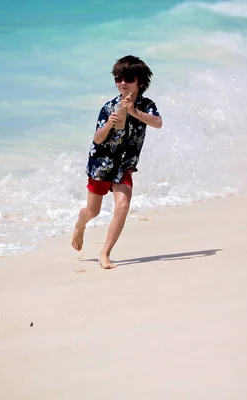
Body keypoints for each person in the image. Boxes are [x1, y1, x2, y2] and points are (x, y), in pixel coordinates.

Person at [71, 55, 163, 269]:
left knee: (122, 206)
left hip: (124, 165)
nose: (122, 83)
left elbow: (158, 123)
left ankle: (105, 252)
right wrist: (109, 124)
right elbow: (97, 139)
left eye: (128, 79)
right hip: (102, 163)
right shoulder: (109, 107)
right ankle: (80, 224)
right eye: (118, 78)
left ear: (140, 82)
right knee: (92, 212)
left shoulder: (146, 105)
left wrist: (133, 112)